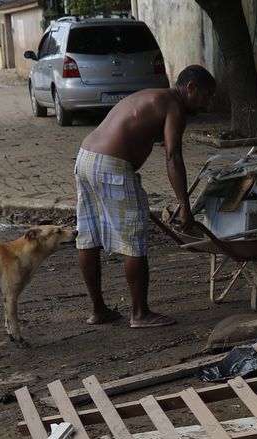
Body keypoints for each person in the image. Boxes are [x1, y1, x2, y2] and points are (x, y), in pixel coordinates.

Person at [74, 64, 216, 328]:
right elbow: (173, 156)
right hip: (112, 166)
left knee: (88, 235)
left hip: (86, 158)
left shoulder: (153, 95)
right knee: (134, 237)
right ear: (191, 88)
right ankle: (139, 313)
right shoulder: (174, 106)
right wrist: (184, 205)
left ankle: (98, 310)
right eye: (206, 97)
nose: (207, 105)